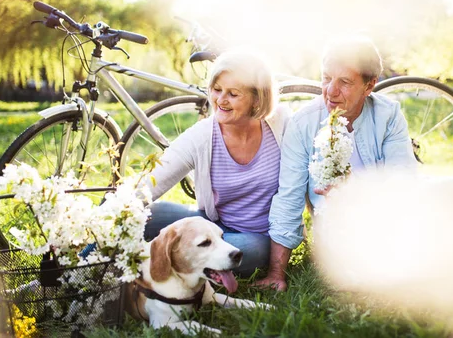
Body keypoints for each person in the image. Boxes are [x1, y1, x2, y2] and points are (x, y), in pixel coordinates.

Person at [254, 35, 418, 291]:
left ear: (369, 86)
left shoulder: (388, 115)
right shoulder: (302, 124)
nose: (330, 91)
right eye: (326, 77)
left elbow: (403, 180)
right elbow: (289, 196)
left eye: (344, 82)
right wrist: (277, 273)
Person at [142, 49, 291, 277]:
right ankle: (86, 261)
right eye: (217, 89)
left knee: (247, 251)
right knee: (151, 214)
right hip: (212, 226)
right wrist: (116, 211)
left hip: (259, 238)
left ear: (257, 98)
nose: (221, 100)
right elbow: (153, 181)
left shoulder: (281, 124)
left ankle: (182, 256)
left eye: (233, 93)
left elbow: (303, 182)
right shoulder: (202, 136)